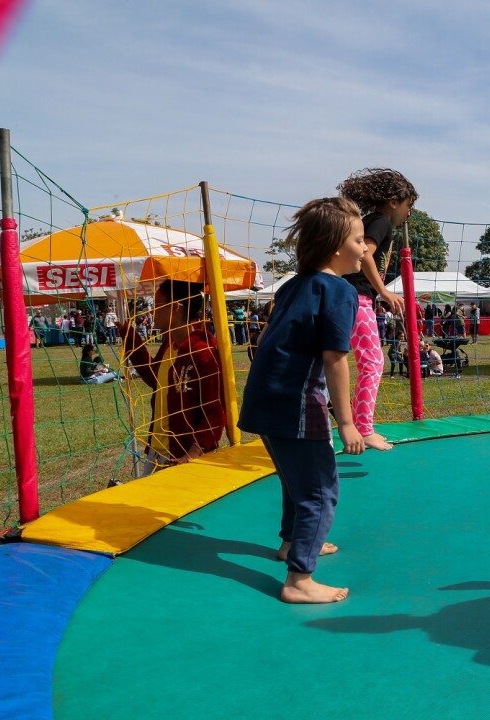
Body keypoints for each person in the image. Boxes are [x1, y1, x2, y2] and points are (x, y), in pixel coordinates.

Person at [238, 197, 366, 604]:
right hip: (294, 402)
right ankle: (299, 580)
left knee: (295, 482)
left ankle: (291, 543)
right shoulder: (339, 290)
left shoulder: (294, 285)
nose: (365, 249)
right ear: (335, 248)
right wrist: (346, 422)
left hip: (264, 400)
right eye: (360, 241)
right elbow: (335, 360)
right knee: (320, 490)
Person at [338, 168, 418, 452]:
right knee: (373, 362)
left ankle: (346, 416)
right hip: (357, 297)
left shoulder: (371, 220)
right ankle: (363, 427)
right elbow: (366, 253)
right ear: (394, 200)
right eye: (408, 205)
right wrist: (382, 291)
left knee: (347, 359)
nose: (408, 213)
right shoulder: (380, 222)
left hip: (351, 296)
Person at [123, 279, 226, 476]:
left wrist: (194, 452)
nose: (152, 311)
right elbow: (155, 379)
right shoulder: (170, 344)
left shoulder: (203, 353)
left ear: (176, 307)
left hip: (182, 458)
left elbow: (215, 413)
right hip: (155, 452)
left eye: (157, 305)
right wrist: (132, 340)